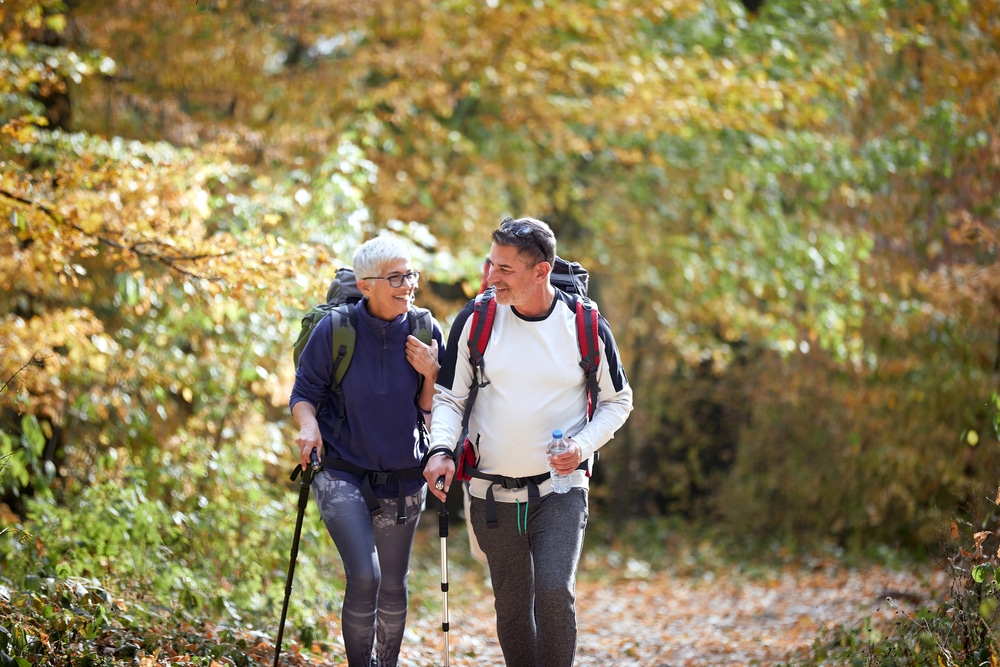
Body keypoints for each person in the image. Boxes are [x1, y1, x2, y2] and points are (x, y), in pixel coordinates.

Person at [423, 216, 634, 667]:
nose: (491, 277)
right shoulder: (476, 320)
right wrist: (441, 449)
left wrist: (582, 446)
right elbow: (448, 397)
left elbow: (618, 401)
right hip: (491, 493)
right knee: (514, 608)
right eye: (491, 264)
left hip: (560, 489)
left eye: (505, 269)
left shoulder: (585, 325)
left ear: (541, 271)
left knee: (555, 592)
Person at [290, 235, 444, 667]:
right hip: (341, 471)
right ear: (366, 285)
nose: (408, 285)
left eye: (411, 274)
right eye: (396, 277)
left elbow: (438, 412)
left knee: (393, 583)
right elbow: (303, 393)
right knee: (365, 576)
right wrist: (308, 427)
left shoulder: (426, 330)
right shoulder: (335, 330)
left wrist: (431, 375)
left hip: (404, 475)